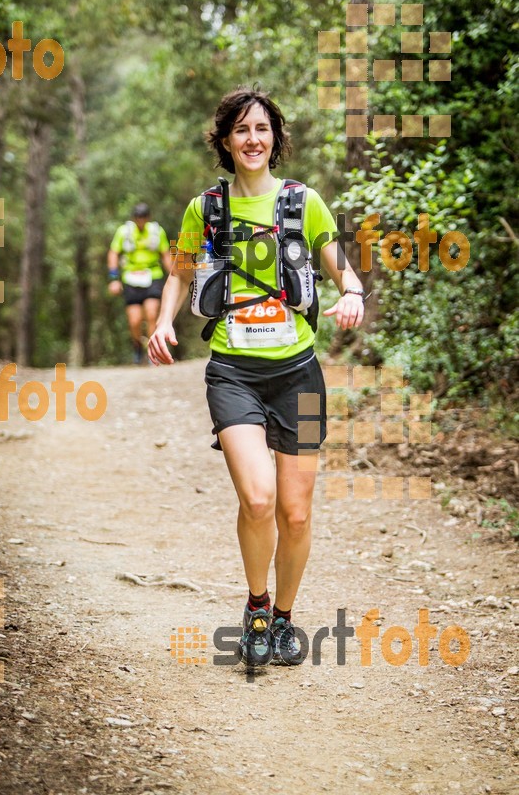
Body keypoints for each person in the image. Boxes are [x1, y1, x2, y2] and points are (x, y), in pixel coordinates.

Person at [148, 86, 365, 667]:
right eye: (241, 130)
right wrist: (164, 322)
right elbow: (180, 273)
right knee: (259, 497)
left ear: (276, 139)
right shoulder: (205, 210)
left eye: (262, 129)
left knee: (297, 511)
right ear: (224, 141)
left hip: (301, 374)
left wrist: (353, 292)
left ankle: (286, 621)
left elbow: (340, 263)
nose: (252, 139)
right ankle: (258, 608)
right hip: (232, 373)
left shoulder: (304, 202)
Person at [108, 203, 172, 364]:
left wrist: (174, 277)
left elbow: (165, 254)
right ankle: (137, 345)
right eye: (138, 218)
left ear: (148, 218)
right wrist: (114, 279)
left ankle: (152, 352)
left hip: (152, 276)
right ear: (134, 218)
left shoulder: (157, 232)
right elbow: (113, 253)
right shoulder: (124, 232)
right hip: (131, 278)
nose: (141, 221)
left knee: (151, 314)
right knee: (134, 320)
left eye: (143, 218)